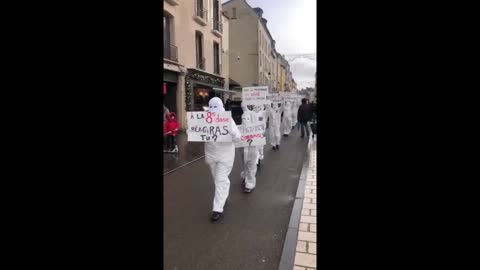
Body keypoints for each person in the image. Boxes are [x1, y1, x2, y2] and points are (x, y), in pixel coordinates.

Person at [204, 97, 241, 222]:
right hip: (211, 155)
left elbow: (238, 137)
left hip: (225, 156)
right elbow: (200, 133)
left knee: (220, 180)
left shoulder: (227, 120)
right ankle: (223, 196)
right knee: (219, 180)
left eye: (216, 106)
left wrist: (233, 133)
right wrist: (192, 131)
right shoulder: (204, 119)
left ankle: (217, 208)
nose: (213, 109)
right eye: (211, 106)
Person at [239, 104, 259, 193]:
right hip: (243, 146)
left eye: (247, 119)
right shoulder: (244, 114)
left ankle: (249, 184)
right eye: (244, 119)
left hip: (252, 146)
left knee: (251, 165)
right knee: (245, 164)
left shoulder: (254, 115)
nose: (245, 121)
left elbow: (260, 128)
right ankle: (246, 177)